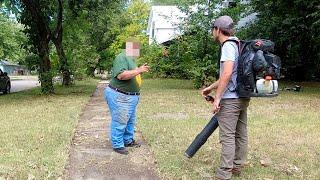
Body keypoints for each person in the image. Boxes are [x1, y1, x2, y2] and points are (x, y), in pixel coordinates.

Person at [201, 16, 250, 179]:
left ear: (217, 30)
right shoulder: (238, 44)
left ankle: (224, 173)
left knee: (227, 136)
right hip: (242, 97)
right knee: (241, 132)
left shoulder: (227, 46)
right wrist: (210, 88)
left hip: (231, 99)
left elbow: (228, 73)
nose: (212, 33)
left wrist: (217, 99)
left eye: (213, 30)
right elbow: (228, 74)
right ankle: (237, 166)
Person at [104, 39, 150, 155]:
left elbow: (131, 73)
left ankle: (127, 140)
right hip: (120, 95)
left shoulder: (131, 59)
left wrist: (138, 69)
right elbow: (121, 75)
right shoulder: (122, 57)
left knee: (130, 121)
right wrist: (139, 70)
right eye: (136, 48)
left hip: (130, 97)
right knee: (120, 120)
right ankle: (117, 145)